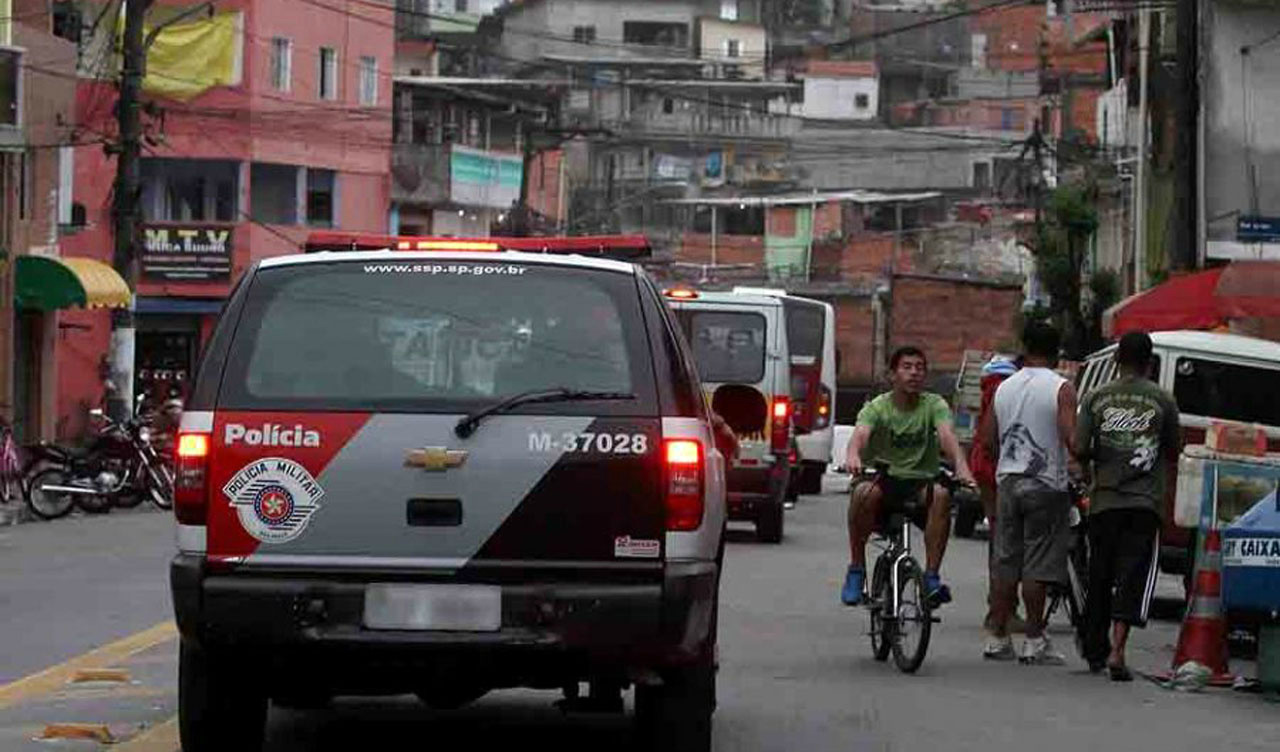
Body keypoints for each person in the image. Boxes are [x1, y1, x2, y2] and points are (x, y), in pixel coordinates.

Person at [1074, 331, 1180, 681]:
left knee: (1100, 574)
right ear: (1150, 363)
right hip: (1144, 504)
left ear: (1117, 360)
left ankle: (1094, 650)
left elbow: (1079, 447)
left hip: (1104, 500)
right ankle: (1119, 649)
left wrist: (1096, 472)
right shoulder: (1163, 400)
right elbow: (1171, 451)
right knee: (1133, 577)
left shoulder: (1095, 397)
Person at [841, 346, 976, 606]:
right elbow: (860, 436)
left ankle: (932, 577)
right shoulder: (877, 407)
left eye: (919, 367)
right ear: (893, 374)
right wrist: (853, 456)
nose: (914, 373)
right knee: (861, 494)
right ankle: (857, 569)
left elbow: (948, 437)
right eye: (906, 367)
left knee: (942, 494)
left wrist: (962, 468)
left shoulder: (934, 404)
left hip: (920, 482)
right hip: (883, 479)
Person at [981, 321, 1077, 664]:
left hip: (1008, 481)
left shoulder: (1004, 387)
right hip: (1045, 484)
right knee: (1037, 565)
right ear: (1056, 351)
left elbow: (989, 440)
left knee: (1006, 561)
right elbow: (1072, 438)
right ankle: (1034, 640)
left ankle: (997, 636)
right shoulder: (1061, 387)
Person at [968, 355, 1022, 632]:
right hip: (998, 466)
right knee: (1007, 540)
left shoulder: (990, 386)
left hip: (983, 465)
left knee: (998, 537)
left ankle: (998, 604)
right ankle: (1003, 609)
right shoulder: (1006, 388)